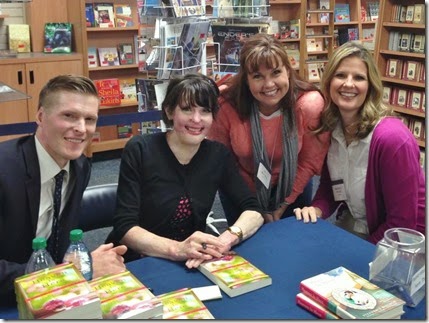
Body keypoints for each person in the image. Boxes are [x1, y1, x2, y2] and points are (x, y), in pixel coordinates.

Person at [106, 73, 264, 268]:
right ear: (170, 111)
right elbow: (125, 227)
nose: (196, 119)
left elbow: (253, 209)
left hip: (189, 260)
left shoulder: (218, 155)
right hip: (136, 261)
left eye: (205, 111)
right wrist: (177, 250)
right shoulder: (140, 149)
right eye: (187, 109)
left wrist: (224, 241)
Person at [0, 75, 127, 306]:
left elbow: (58, 242)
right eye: (69, 115)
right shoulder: (4, 170)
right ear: (40, 116)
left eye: (90, 119)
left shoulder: (79, 167)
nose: (81, 129)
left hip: (53, 297)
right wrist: (72, 274)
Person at [294, 42, 425, 244]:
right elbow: (331, 186)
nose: (348, 84)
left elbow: (402, 224)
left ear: (370, 86)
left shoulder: (392, 139)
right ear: (329, 82)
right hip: (360, 223)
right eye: (340, 75)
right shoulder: (332, 128)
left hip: (405, 241)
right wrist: (317, 209)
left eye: (359, 77)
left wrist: (359, 253)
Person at [208, 33, 330, 223]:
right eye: (257, 76)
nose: (269, 84)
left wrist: (282, 206)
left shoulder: (309, 104)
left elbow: (309, 161)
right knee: (245, 249)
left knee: (292, 245)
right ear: (246, 79)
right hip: (241, 187)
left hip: (293, 186)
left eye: (276, 72)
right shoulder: (225, 105)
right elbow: (225, 162)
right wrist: (256, 206)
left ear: (288, 71)